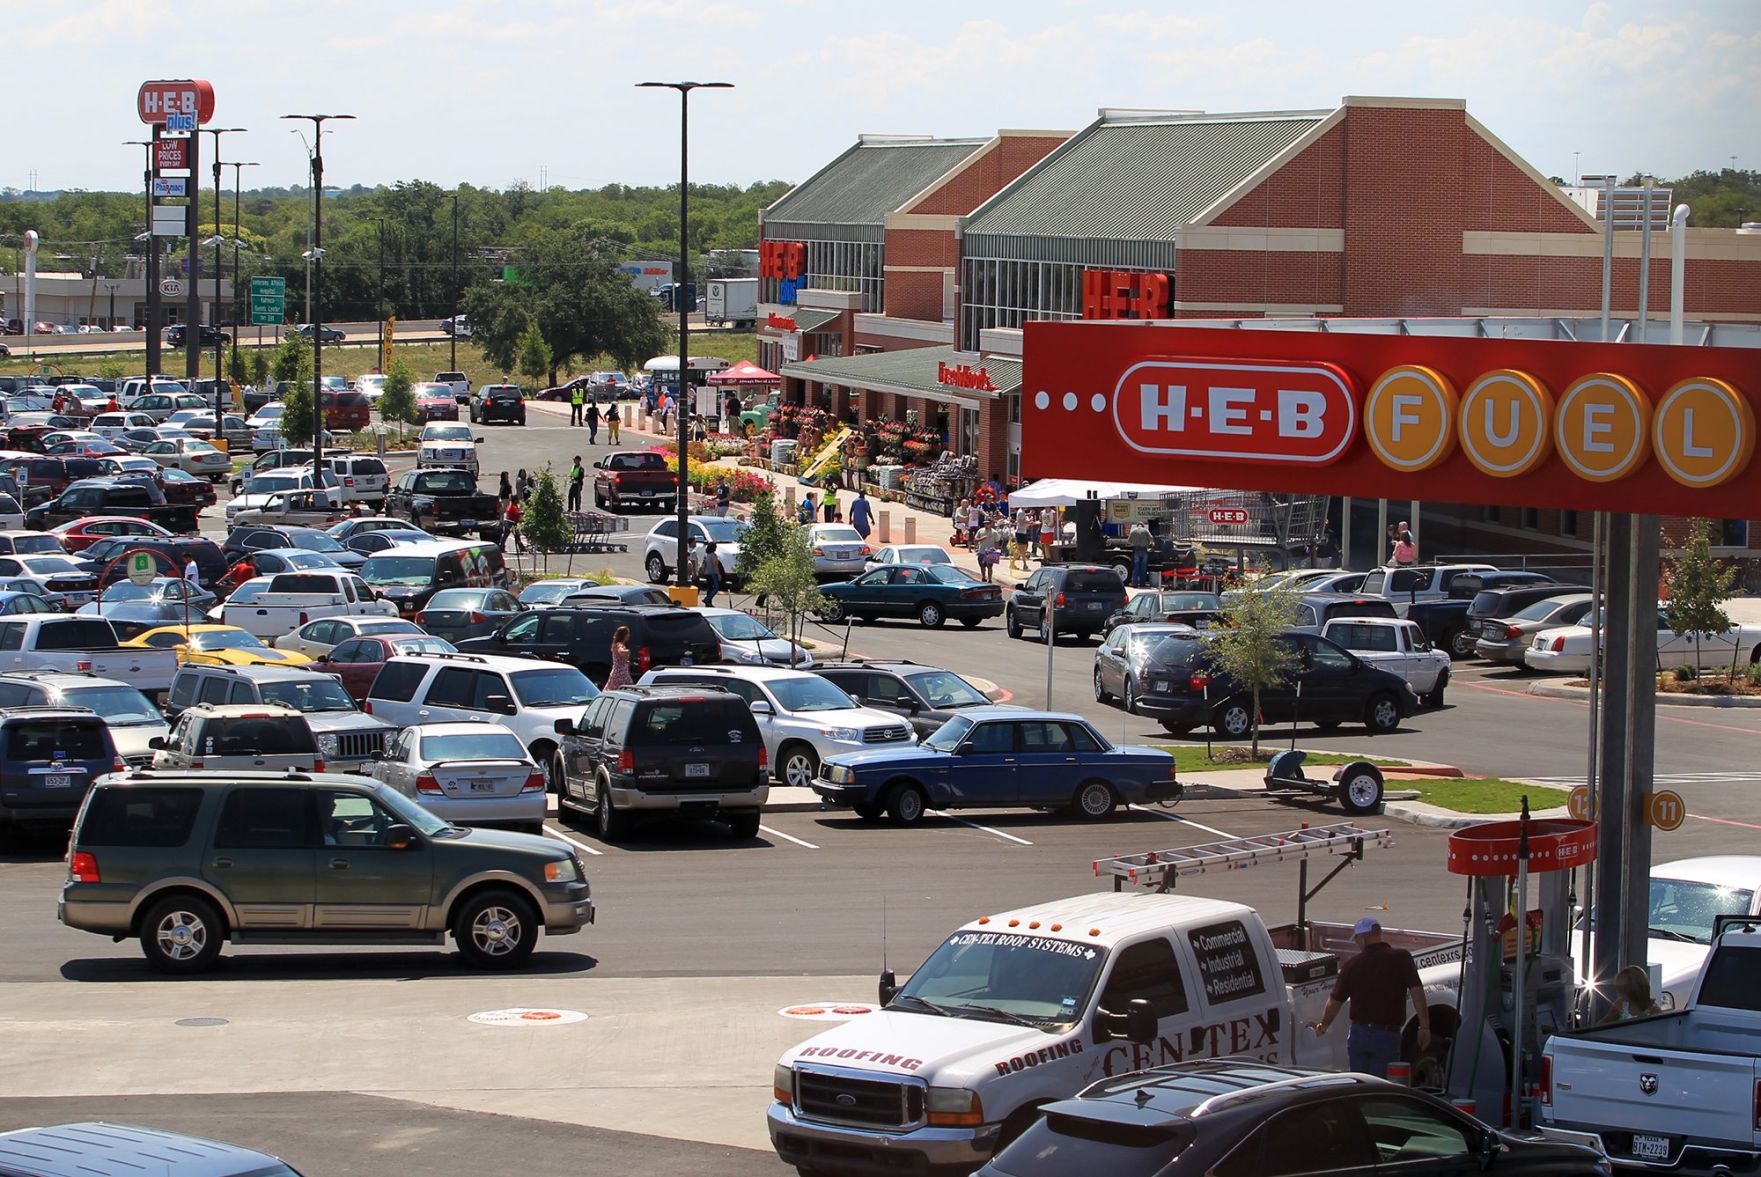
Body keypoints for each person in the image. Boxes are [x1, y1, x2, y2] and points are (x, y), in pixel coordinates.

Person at [1314, 917, 1429, 1078]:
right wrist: (1424, 1026)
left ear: (1363, 937)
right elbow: (1417, 991)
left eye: (1357, 939)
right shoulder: (1401, 958)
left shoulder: (1352, 965)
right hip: (1387, 1036)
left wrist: (1323, 1025)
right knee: (1381, 1088)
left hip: (1359, 1035)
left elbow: (1334, 1002)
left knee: (1360, 1085)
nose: (1357, 944)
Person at [605, 625, 634, 690]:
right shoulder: (619, 645)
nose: (629, 635)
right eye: (628, 633)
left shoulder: (615, 645)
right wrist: (626, 651)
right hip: (621, 674)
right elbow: (620, 650)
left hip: (615, 673)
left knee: (612, 690)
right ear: (624, 635)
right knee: (630, 690)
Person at [1128, 520, 1152, 588]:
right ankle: (1142, 583)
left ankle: (1134, 583)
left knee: (1136, 567)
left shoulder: (1133, 531)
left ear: (1137, 525)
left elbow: (1129, 541)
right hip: (1144, 550)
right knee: (1143, 568)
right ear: (1143, 525)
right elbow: (1151, 538)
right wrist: (1151, 545)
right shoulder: (1145, 531)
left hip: (1136, 550)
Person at [701, 540, 721, 607]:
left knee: (710, 588)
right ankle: (707, 599)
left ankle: (709, 602)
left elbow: (704, 564)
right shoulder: (713, 555)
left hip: (707, 573)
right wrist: (718, 574)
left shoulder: (706, 555)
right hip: (713, 573)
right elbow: (715, 565)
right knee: (716, 587)